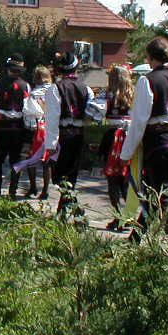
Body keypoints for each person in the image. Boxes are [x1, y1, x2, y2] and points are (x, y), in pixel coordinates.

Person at [119, 37, 168, 239]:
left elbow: (139, 121)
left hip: (156, 140)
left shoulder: (147, 81)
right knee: (156, 191)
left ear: (150, 57)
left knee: (159, 194)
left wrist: (126, 154)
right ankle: (135, 239)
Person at [43, 51, 94, 215]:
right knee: (70, 174)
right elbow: (91, 115)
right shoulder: (86, 89)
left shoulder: (55, 88)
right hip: (78, 134)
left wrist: (50, 144)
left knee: (60, 176)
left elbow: (52, 118)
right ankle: (69, 211)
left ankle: (72, 211)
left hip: (63, 135)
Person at [0, 53, 40, 199]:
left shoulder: (0, 84)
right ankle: (12, 192)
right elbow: (29, 108)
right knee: (15, 160)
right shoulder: (26, 86)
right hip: (18, 127)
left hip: (2, 127)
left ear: (8, 68)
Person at [97, 64, 134, 231]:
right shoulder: (134, 95)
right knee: (126, 179)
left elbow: (96, 113)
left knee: (112, 179)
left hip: (114, 137)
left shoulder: (107, 94)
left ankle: (118, 216)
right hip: (130, 137)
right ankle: (129, 216)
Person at [13, 66, 52, 198]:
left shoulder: (34, 93)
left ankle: (33, 187)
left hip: (35, 129)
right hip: (50, 129)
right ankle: (45, 190)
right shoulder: (54, 91)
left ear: (36, 78)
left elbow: (28, 114)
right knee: (47, 160)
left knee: (31, 159)